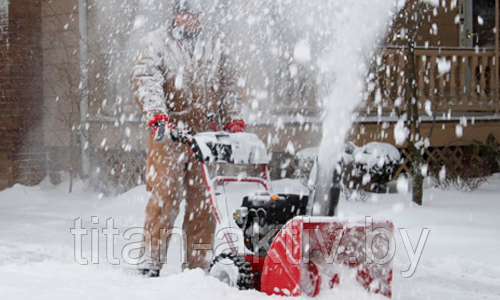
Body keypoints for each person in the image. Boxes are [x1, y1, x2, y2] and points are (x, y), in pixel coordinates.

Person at [132, 0, 245, 277]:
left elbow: (229, 86)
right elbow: (147, 80)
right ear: (175, 15)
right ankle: (151, 260)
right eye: (184, 13)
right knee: (165, 199)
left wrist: (233, 119)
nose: (189, 19)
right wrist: (157, 115)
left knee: (203, 205)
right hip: (168, 135)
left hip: (205, 135)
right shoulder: (155, 43)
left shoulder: (215, 45)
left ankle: (198, 266)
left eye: (194, 14)